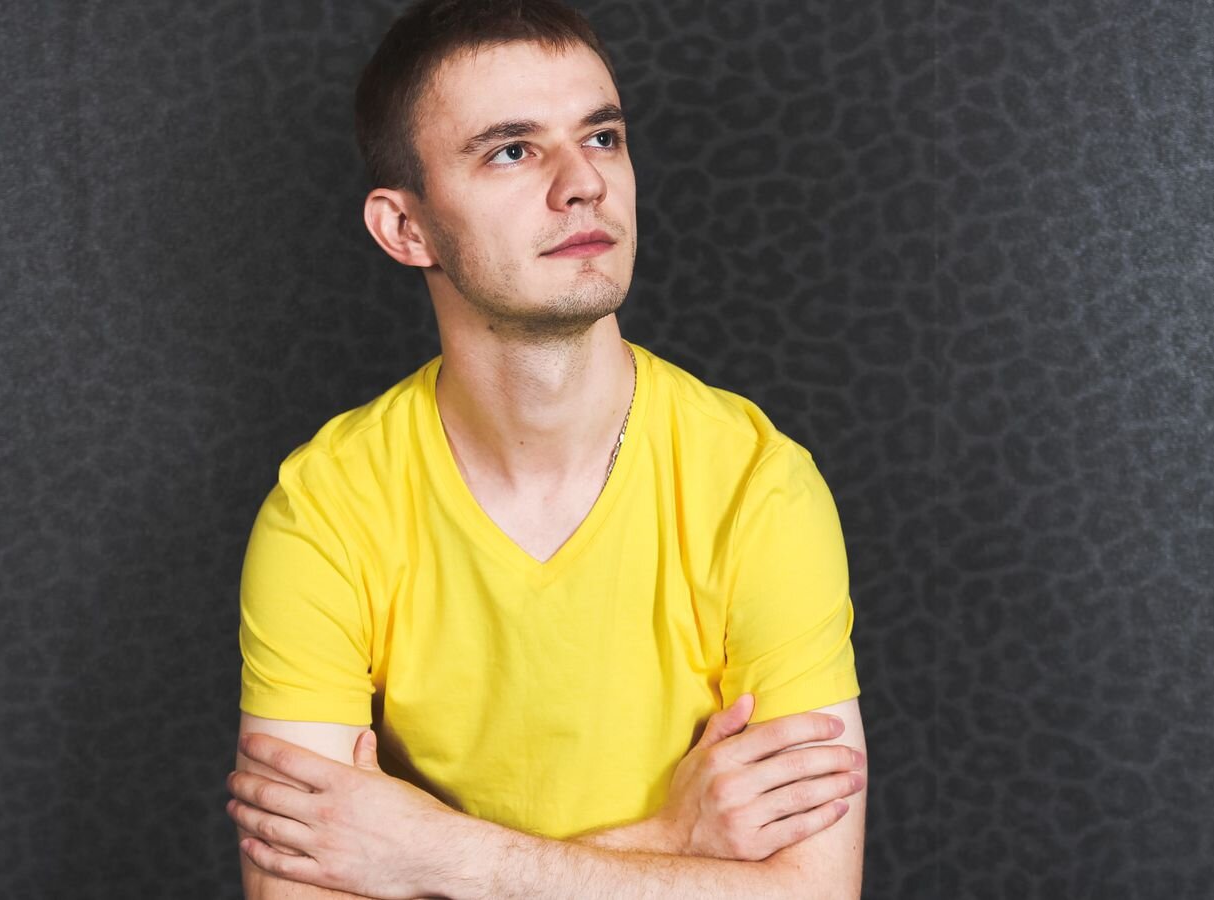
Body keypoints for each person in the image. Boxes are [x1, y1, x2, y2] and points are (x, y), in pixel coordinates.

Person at [224, 1, 868, 896]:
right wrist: (670, 839)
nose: (584, 183)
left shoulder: (756, 485)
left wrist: (437, 855)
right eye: (512, 151)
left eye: (602, 138)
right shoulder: (327, 508)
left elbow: (815, 891)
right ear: (405, 229)